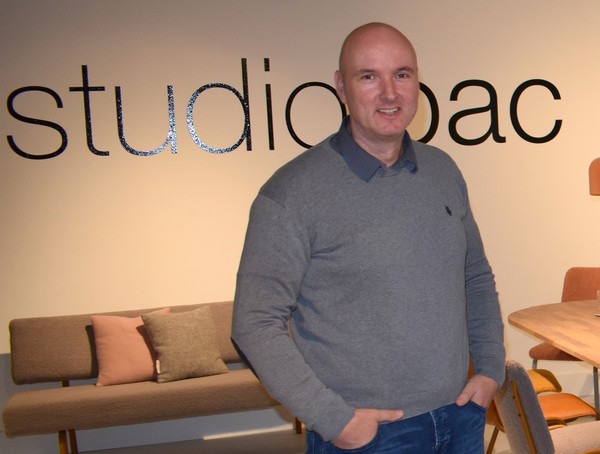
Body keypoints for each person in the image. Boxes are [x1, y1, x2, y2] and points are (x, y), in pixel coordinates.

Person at [232, 22, 505, 453]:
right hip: (368, 437)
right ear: (341, 86)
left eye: (402, 74)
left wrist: (490, 369)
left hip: (459, 417)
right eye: (368, 77)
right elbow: (254, 323)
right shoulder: (291, 193)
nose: (389, 93)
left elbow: (475, 276)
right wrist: (334, 420)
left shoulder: (442, 171)